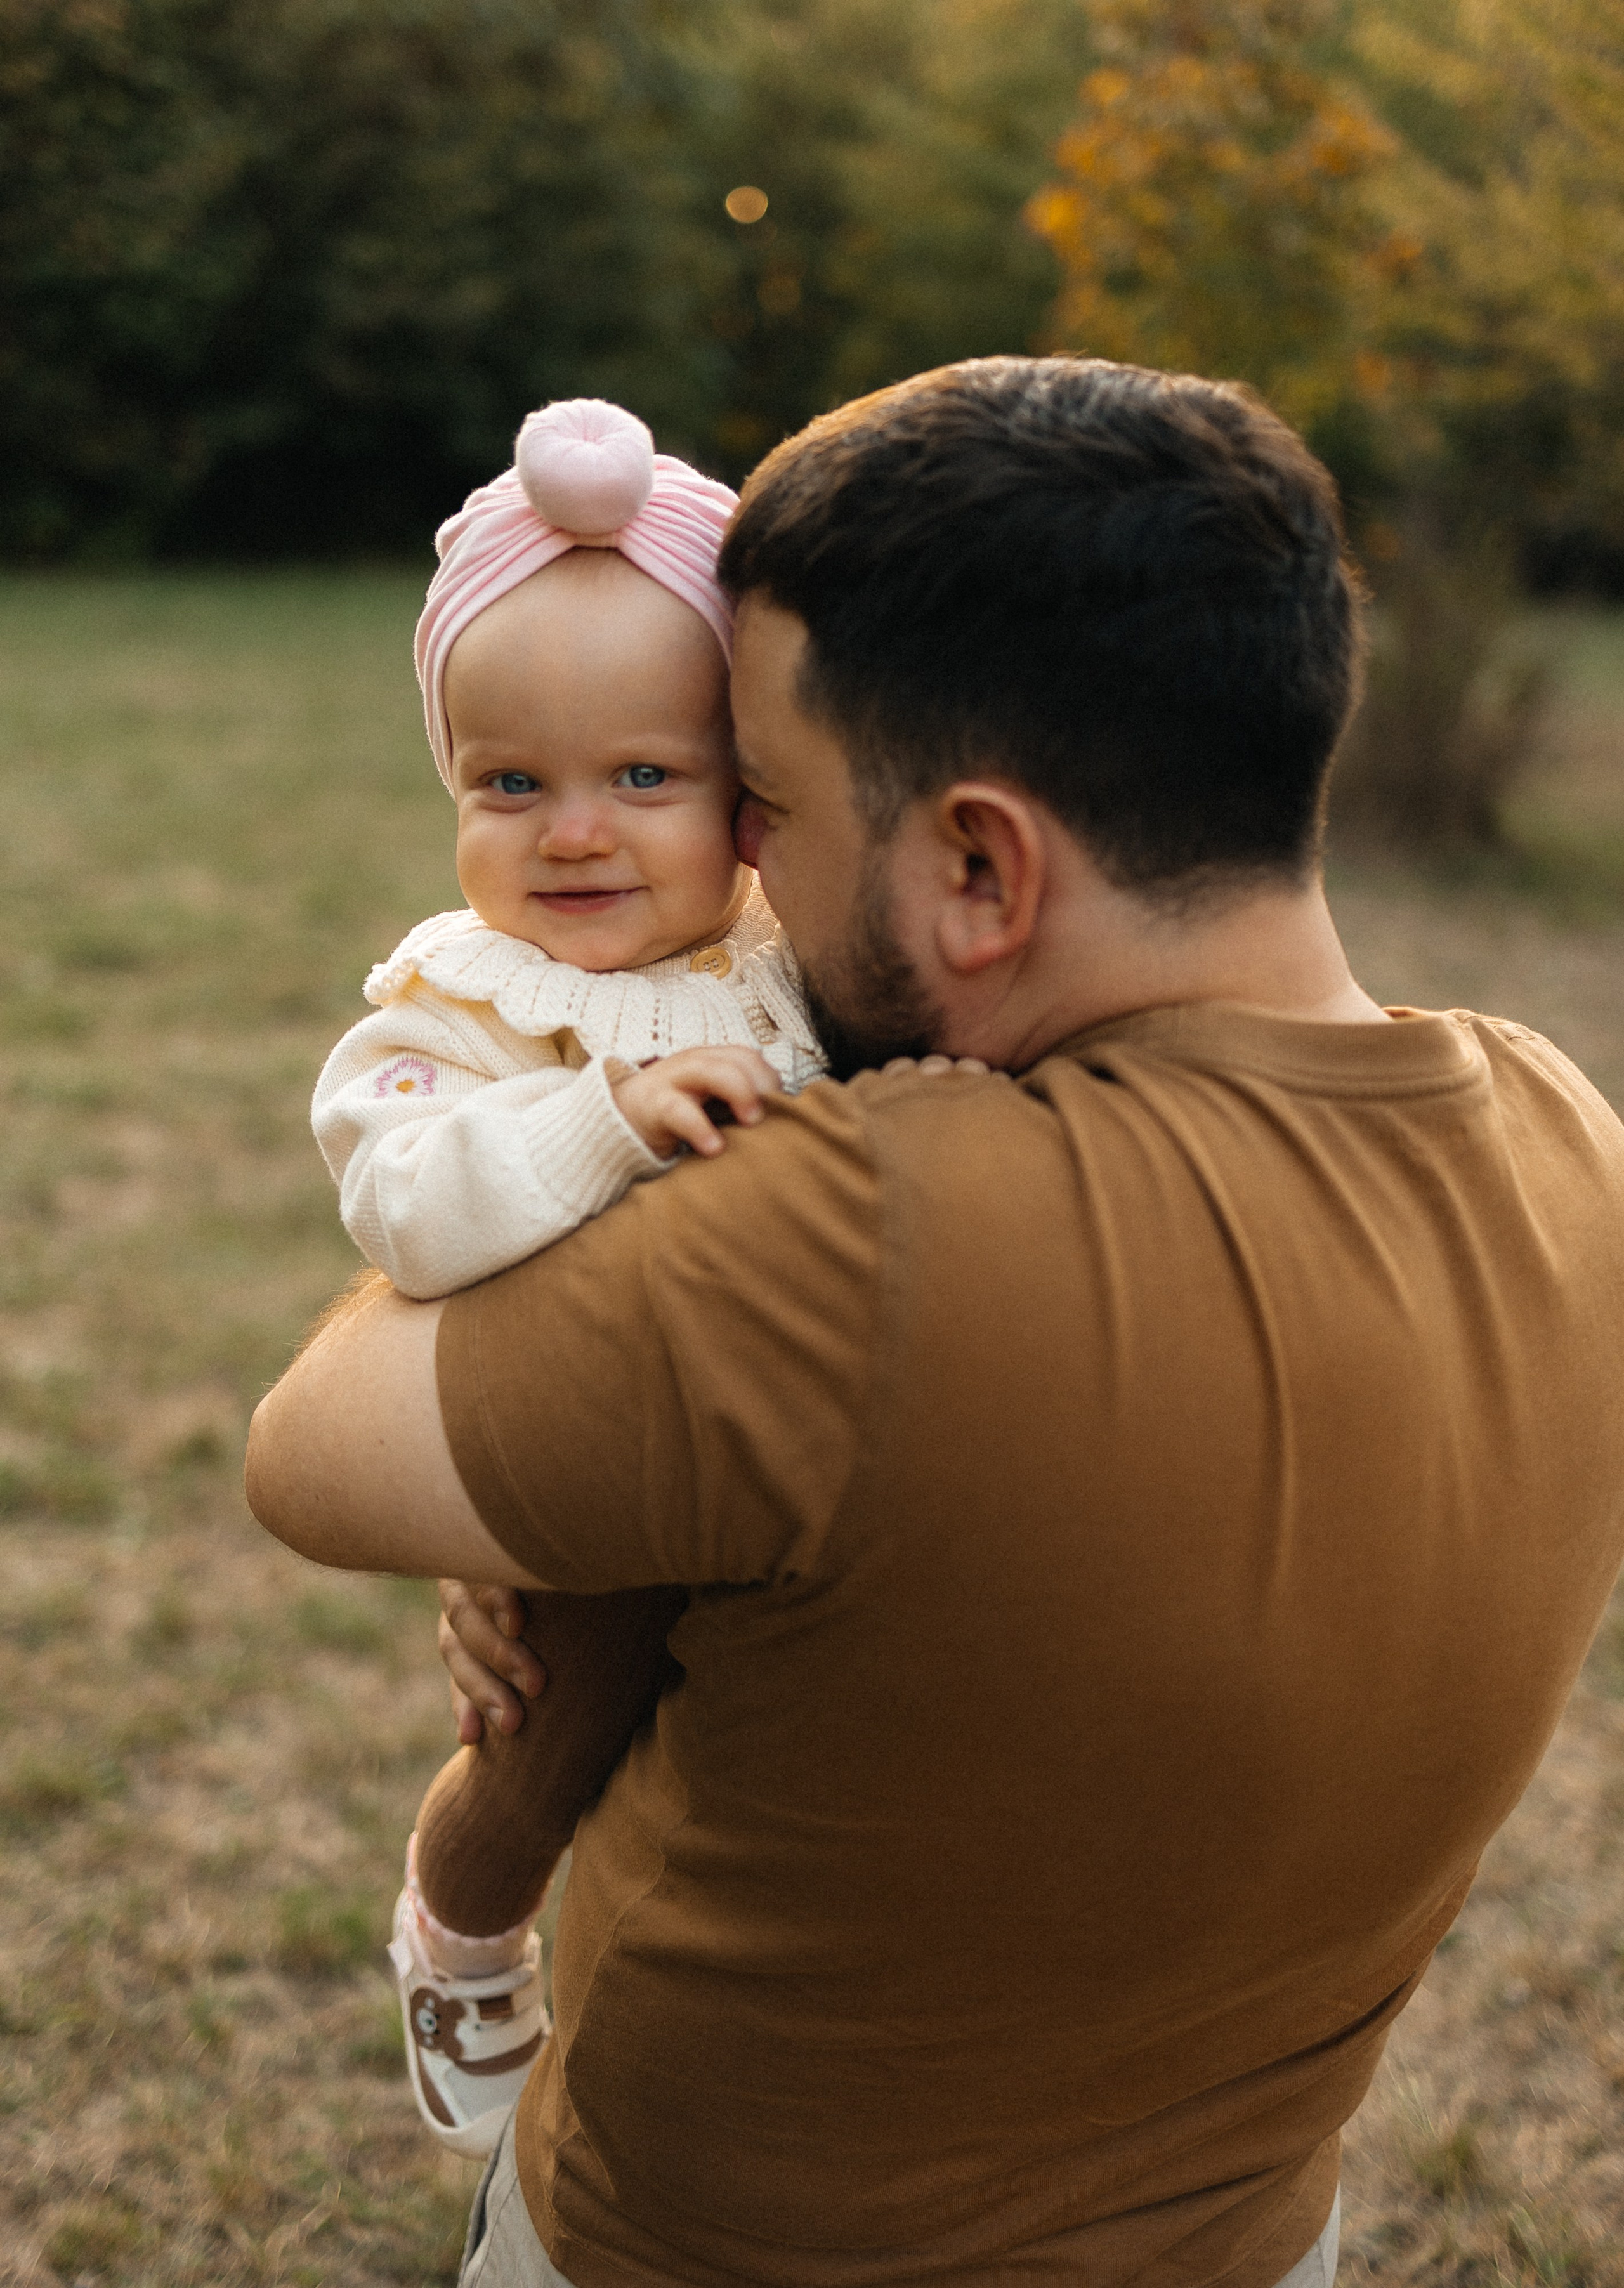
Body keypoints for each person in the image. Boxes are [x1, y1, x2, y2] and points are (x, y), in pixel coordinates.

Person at [247, 356, 1624, 2288]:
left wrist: (570, 1416)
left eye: (772, 807)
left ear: (978, 867)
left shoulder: (863, 1234)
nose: (746, 880)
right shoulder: (1572, 1139)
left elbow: (313, 1450)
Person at [311, 395, 824, 2154]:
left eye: (645, 778)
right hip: (576, 1481)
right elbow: (408, 1207)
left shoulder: (789, 967)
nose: (577, 834)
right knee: (553, 1721)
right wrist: (601, 1120)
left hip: (779, 1468)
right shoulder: (454, 1011)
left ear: (748, 796)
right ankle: (462, 1917)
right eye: (509, 785)